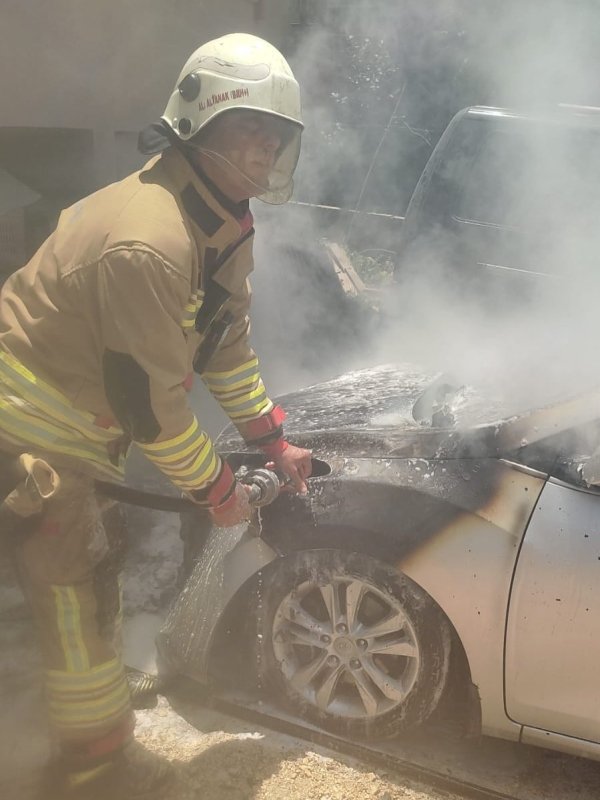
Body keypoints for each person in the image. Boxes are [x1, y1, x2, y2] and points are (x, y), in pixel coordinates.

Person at [0, 32, 312, 799]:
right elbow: (154, 409)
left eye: (276, 135)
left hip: (80, 427)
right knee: (78, 601)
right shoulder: (150, 239)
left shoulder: (222, 222)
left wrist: (274, 442)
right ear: (198, 127)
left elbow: (225, 353)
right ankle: (96, 768)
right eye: (249, 130)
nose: (265, 151)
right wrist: (217, 493)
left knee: (74, 591)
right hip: (29, 433)